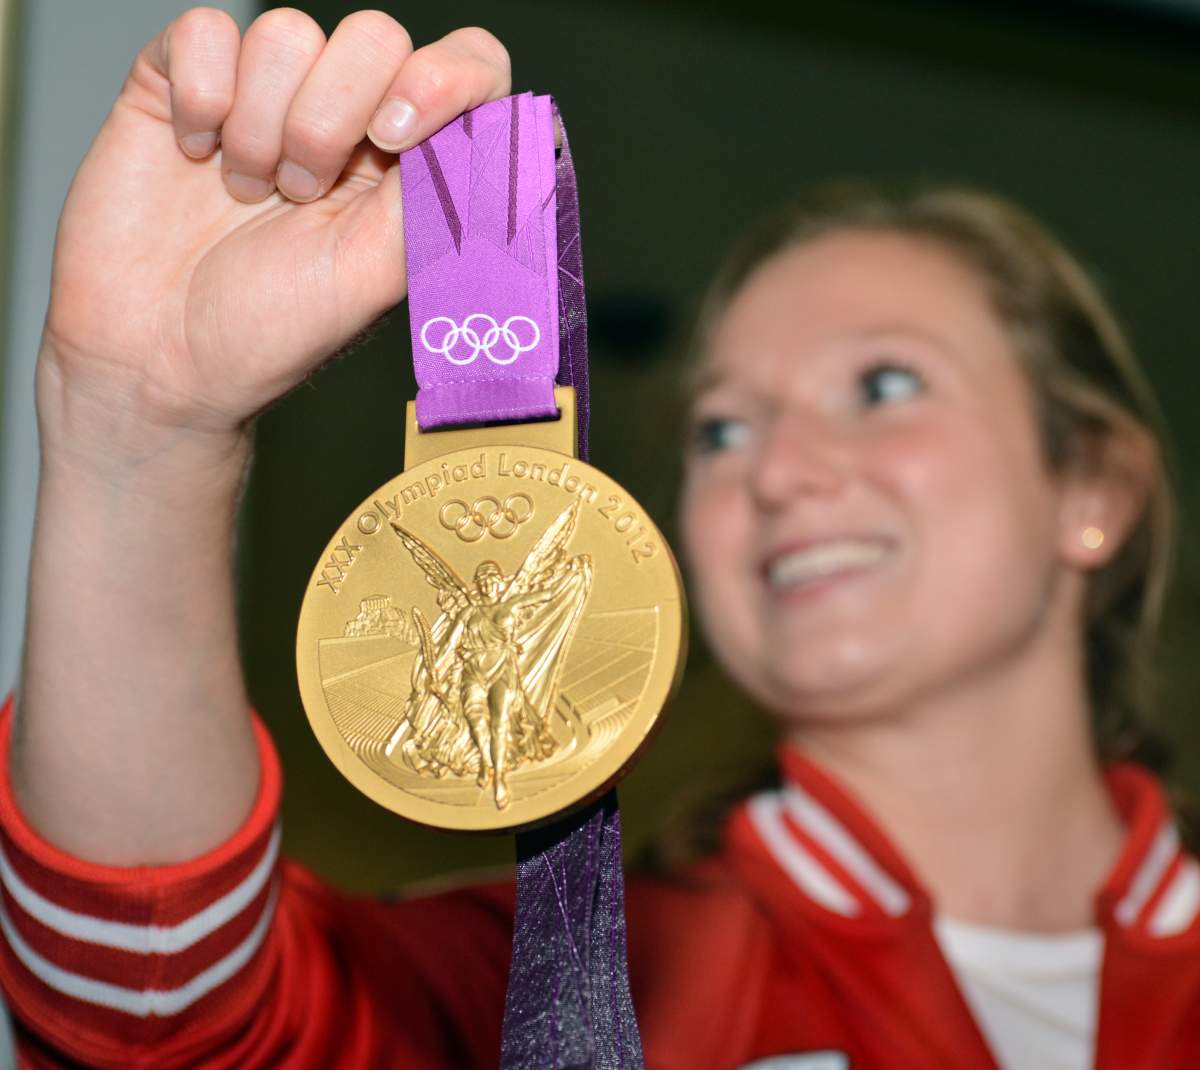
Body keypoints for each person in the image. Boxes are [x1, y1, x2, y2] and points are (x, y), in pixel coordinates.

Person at [0, 6, 1195, 1069]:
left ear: (1096, 485)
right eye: (722, 429)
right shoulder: (552, 979)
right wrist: (137, 429)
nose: (777, 470)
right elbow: (170, 1016)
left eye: (883, 387)